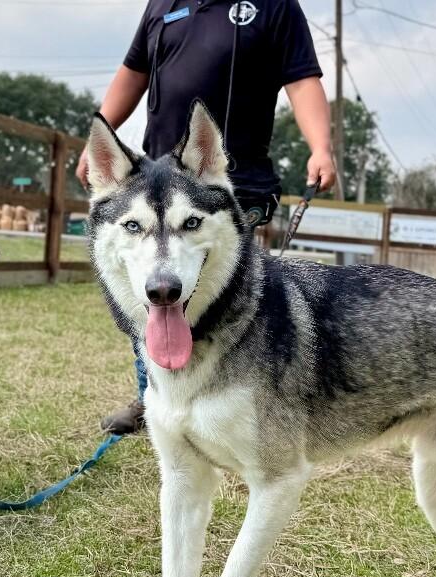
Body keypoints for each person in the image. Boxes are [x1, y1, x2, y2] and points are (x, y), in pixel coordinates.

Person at [77, 0, 336, 434]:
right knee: (153, 290)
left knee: (232, 301)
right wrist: (102, 132)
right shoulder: (162, 5)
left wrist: (321, 145)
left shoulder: (275, 6)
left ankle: (241, 404)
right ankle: (155, 397)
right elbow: (133, 72)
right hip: (152, 177)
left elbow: (301, 79)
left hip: (227, 179)